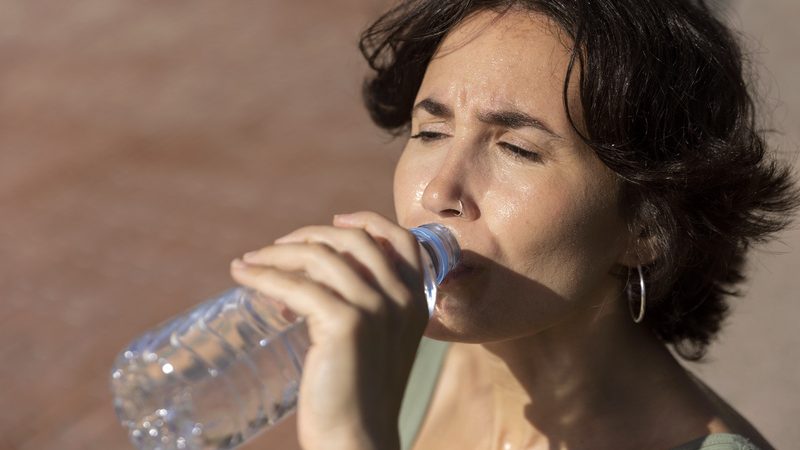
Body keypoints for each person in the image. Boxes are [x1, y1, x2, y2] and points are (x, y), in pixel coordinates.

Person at [230, 1, 799, 449]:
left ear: (648, 226)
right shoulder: (398, 343)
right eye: (430, 133)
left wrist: (351, 438)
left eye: (517, 149)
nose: (438, 193)